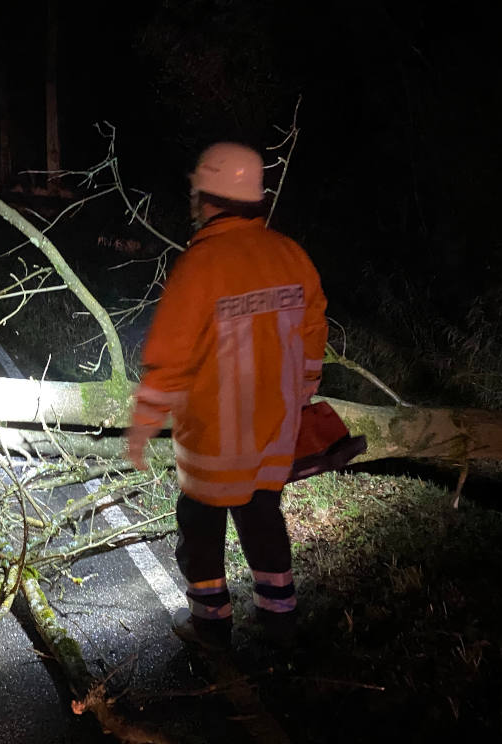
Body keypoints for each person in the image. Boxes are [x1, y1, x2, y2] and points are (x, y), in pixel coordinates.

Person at [125, 142, 328, 651]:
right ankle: (280, 620)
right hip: (272, 436)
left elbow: (170, 357)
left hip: (216, 440)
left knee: (200, 528)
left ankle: (211, 627)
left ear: (208, 197)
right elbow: (312, 332)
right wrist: (303, 393)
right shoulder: (289, 254)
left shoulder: (202, 264)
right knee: (263, 518)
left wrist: (143, 425)